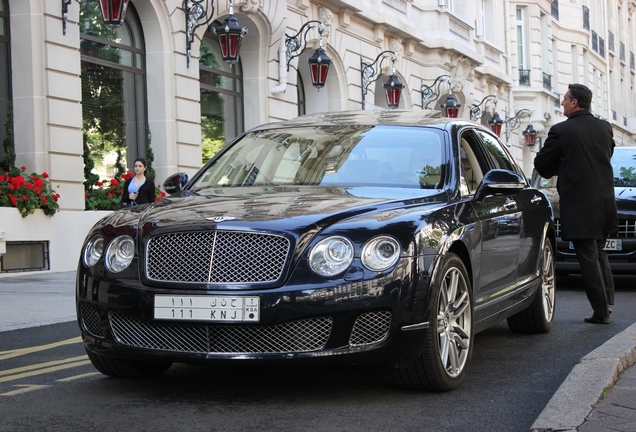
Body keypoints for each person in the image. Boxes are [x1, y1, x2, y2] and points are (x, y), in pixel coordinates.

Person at [534, 83, 618, 324]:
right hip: (604, 200)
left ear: (574, 102)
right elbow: (606, 155)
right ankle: (608, 302)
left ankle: (601, 311)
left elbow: (542, 165)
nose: (561, 103)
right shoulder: (604, 128)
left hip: (580, 202)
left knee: (587, 255)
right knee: (599, 251)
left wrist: (563, 167)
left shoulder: (561, 131)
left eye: (564, 99)